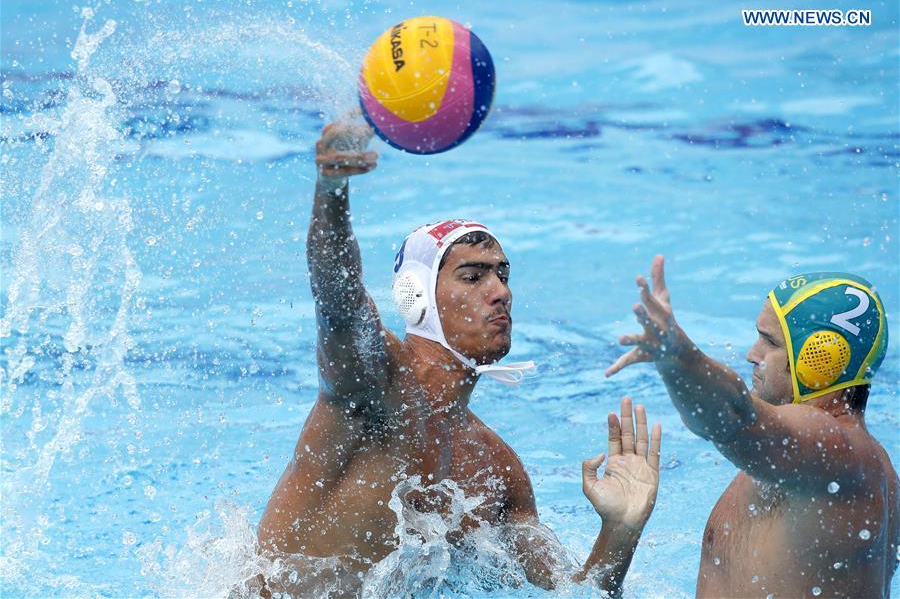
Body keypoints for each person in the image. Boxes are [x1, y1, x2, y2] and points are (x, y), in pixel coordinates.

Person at [254, 120, 663, 597]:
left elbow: (574, 594)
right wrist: (332, 189)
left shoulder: (497, 469)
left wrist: (622, 529)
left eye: (503, 275)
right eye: (473, 277)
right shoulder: (375, 384)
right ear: (417, 298)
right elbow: (337, 298)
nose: (501, 292)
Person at [606, 256, 898, 598]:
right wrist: (618, 534)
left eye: (770, 342)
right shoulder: (834, 464)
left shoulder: (835, 451)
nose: (751, 353)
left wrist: (678, 356)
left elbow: (734, 418)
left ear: (820, 358)